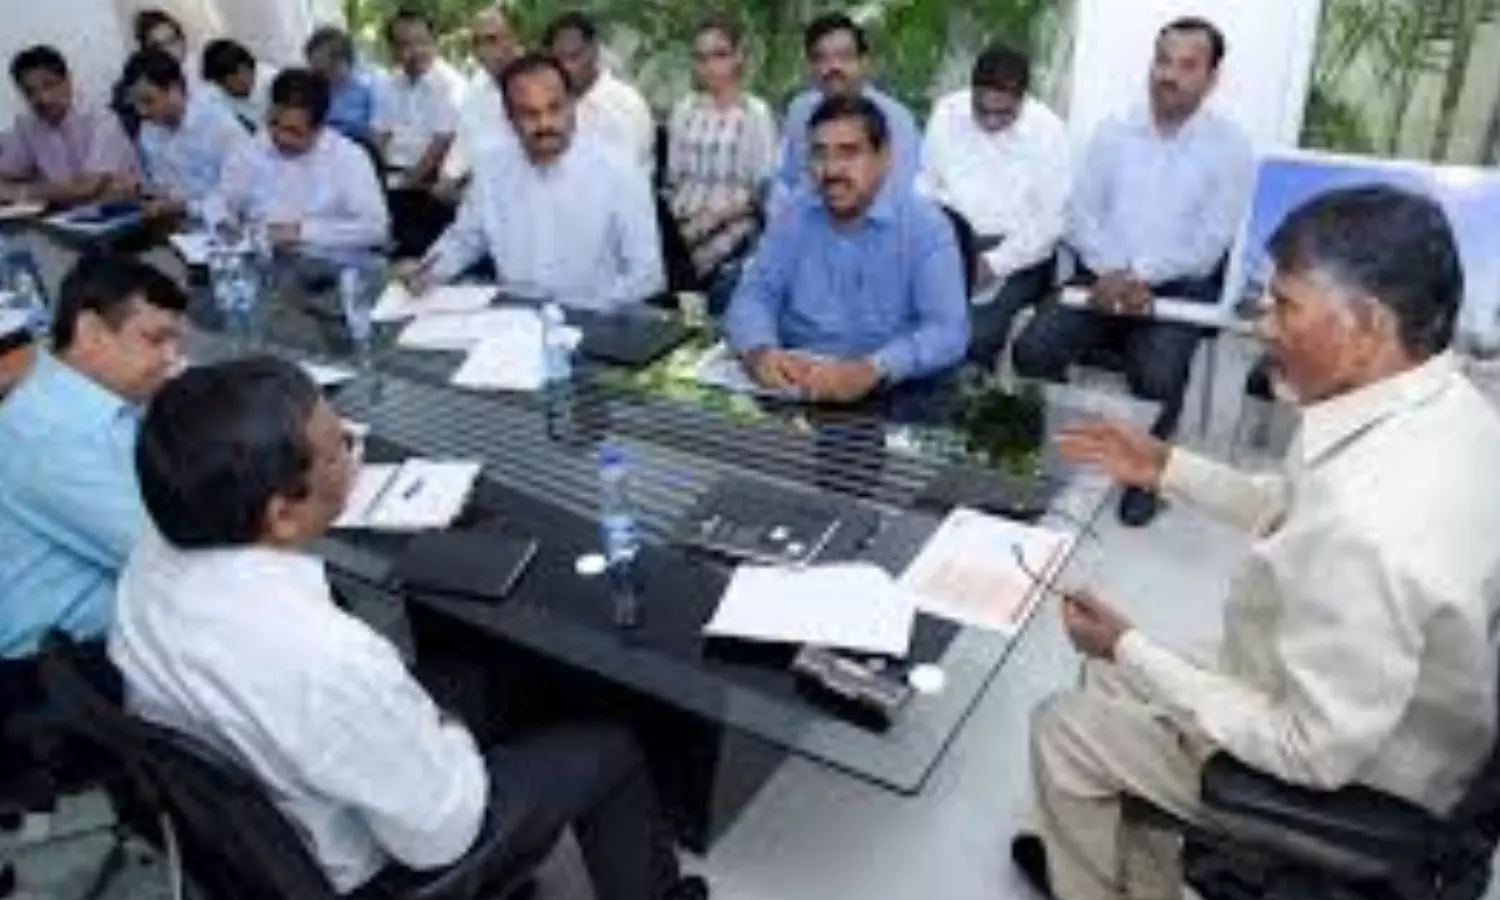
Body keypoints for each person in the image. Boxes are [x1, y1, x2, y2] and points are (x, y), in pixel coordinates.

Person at [1013, 185, 1500, 900]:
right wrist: (1164, 464)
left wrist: (1129, 645)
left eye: (1284, 305)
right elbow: (1296, 507)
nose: (1259, 323)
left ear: (1365, 323)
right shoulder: (1438, 402)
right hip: (1383, 704)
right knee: (1113, 677)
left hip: (1362, 785)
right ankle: (1137, 874)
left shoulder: (1373, 527)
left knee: (1066, 726)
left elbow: (1310, 751)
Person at [110, 356, 710, 900]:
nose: (352, 448)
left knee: (488, 679)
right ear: (282, 512)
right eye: (340, 444)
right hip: (376, 872)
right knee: (609, 750)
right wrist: (444, 730)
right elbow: (440, 835)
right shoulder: (326, 655)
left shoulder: (152, 557)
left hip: (259, 816)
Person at [1011, 17, 1253, 527]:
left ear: (1211, 79)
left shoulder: (1230, 148)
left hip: (1178, 286)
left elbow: (1211, 242)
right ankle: (1066, 449)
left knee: (1159, 372)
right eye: (1162, 60)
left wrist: (1138, 273)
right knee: (1032, 349)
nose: (1169, 75)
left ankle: (1146, 475)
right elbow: (1080, 214)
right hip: (1100, 276)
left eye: (1187, 65)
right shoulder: (1113, 130)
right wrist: (1111, 272)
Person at [0, 255, 187, 660]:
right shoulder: (51, 437)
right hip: (59, 670)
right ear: (90, 332)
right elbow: (178, 555)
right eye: (155, 340)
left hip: (119, 622)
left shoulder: (80, 396)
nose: (172, 359)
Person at [725, 95, 967, 403]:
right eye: (819, 154)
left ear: (884, 157)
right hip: (795, 387)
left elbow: (948, 331)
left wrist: (873, 368)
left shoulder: (925, 226)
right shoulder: (794, 214)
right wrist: (759, 350)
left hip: (885, 393)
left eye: (849, 153)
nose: (831, 170)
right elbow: (755, 293)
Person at [403, 54, 662, 311]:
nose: (545, 124)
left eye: (554, 108)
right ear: (509, 118)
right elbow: (466, 239)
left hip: (595, 319)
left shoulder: (619, 170)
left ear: (572, 104)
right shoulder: (493, 166)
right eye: (529, 113)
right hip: (513, 321)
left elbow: (647, 275)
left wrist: (586, 310)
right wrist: (428, 270)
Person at [919, 42, 1069, 368]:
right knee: (906, 316)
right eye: (981, 109)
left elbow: (1049, 223)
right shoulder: (948, 112)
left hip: (1018, 255)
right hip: (950, 242)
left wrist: (994, 263)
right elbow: (926, 188)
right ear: (971, 91)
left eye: (1003, 113)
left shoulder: (1049, 131)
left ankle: (965, 413)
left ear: (1023, 100)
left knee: (972, 334)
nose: (989, 122)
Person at [208, 68, 389, 256]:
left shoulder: (348, 158)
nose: (280, 138)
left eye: (294, 132)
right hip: (260, 260)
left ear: (319, 129)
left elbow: (375, 229)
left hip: (326, 268)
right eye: (274, 124)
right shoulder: (252, 148)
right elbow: (221, 198)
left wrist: (301, 232)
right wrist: (223, 222)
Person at [665, 14, 777, 291]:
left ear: (738, 57)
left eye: (719, 55)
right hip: (681, 235)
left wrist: (711, 221)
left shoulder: (755, 113)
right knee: (685, 316)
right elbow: (674, 178)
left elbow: (761, 191)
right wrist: (680, 230)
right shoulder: (685, 110)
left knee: (712, 318)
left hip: (731, 237)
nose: (710, 66)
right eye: (701, 58)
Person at [772, 13, 920, 210]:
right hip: (806, 225)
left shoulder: (896, 120)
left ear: (864, 62)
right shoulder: (799, 111)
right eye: (821, 58)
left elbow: (899, 195)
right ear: (810, 66)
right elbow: (787, 179)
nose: (834, 67)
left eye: (844, 57)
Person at [373, 7, 466, 256]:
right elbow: (379, 136)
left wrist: (404, 183)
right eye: (404, 45)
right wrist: (375, 177)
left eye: (422, 42)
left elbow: (441, 143)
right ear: (392, 50)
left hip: (427, 182)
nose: (414, 52)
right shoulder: (389, 83)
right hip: (391, 179)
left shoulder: (450, 85)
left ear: (434, 42)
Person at [0, 46, 140, 208]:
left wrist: (21, 192)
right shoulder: (27, 124)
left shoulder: (101, 120)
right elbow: (7, 173)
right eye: (30, 92)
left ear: (68, 81)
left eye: (49, 85)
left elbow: (87, 187)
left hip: (117, 214)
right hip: (63, 216)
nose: (42, 98)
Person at [124, 48, 249, 223]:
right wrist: (141, 190)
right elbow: (165, 187)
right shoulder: (149, 131)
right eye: (136, 103)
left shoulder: (220, 126)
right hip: (178, 229)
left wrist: (184, 207)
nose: (142, 111)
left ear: (174, 90)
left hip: (229, 225)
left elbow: (237, 198)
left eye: (148, 101)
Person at [544, 10, 655, 173]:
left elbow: (625, 173)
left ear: (594, 50)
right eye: (559, 60)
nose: (566, 68)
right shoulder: (555, 103)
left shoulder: (624, 105)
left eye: (574, 57)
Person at [439, 5, 524, 187]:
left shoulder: (538, 81)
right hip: (475, 193)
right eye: (477, 42)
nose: (483, 51)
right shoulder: (477, 84)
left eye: (492, 39)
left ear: (514, 38)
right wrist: (447, 178)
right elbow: (464, 142)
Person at [304, 26, 376, 144]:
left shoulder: (368, 92)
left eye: (320, 69)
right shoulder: (309, 90)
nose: (312, 71)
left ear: (339, 61)